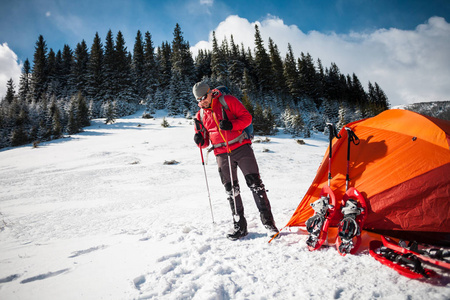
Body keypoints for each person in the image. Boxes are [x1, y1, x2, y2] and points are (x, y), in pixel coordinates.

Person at [192, 81, 278, 240]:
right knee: (231, 191)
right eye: (198, 99)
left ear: (210, 92)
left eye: (203, 97)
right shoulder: (200, 115)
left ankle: (269, 224)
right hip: (221, 154)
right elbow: (204, 143)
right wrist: (199, 139)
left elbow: (247, 118)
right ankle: (240, 226)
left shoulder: (228, 101)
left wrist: (231, 125)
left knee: (256, 185)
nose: (201, 101)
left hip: (241, 147)